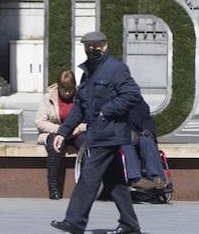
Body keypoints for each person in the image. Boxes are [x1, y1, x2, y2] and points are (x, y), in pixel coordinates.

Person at [50, 31, 142, 234]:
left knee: (89, 175)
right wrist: (62, 132)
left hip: (110, 133)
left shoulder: (116, 69)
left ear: (105, 45)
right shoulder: (88, 72)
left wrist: (106, 110)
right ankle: (130, 225)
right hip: (98, 133)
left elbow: (133, 95)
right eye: (87, 46)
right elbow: (80, 108)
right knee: (115, 181)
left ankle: (75, 220)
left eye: (95, 45)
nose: (91, 49)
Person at [36, 69, 86, 199]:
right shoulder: (48, 97)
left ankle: (86, 186)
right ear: (58, 87)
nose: (68, 93)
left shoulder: (82, 95)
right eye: (64, 90)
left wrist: (81, 127)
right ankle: (53, 188)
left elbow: (92, 120)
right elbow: (40, 122)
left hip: (76, 132)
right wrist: (61, 130)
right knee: (55, 147)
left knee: (87, 146)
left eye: (70, 90)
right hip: (55, 132)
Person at [124, 95, 167, 192]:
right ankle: (136, 178)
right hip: (119, 133)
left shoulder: (134, 97)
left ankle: (157, 177)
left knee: (146, 139)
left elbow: (146, 117)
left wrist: (147, 129)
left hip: (137, 131)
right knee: (126, 141)